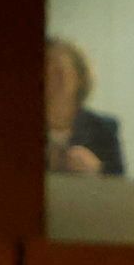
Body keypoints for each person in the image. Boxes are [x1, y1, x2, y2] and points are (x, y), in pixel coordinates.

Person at [43, 37, 122, 177]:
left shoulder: (104, 128)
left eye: (59, 72)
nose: (50, 77)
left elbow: (120, 188)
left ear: (80, 78)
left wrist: (97, 171)